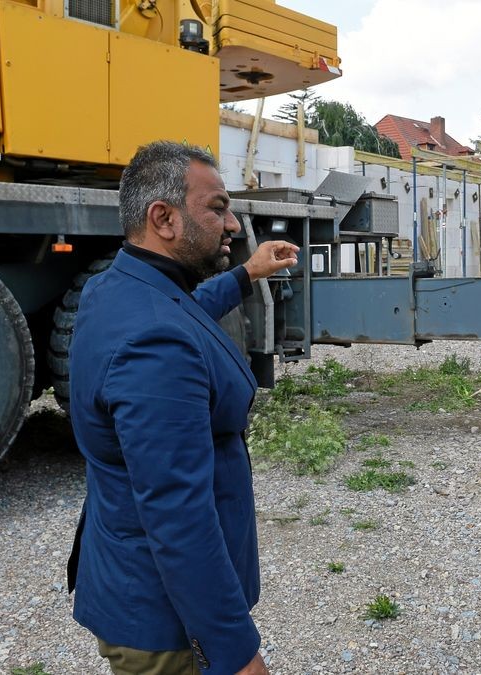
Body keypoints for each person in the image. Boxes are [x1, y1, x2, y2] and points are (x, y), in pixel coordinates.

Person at [66, 140, 299, 675]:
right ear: (164, 219)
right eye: (217, 208)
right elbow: (178, 513)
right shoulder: (155, 343)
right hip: (164, 621)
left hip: (140, 586)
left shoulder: (118, 287)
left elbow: (183, 310)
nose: (233, 225)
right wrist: (235, 652)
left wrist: (247, 274)